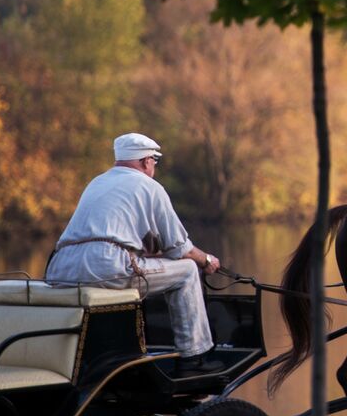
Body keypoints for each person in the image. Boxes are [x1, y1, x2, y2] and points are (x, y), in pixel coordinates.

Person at [46, 132, 224, 374]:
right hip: (106, 268)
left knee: (153, 266)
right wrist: (207, 260)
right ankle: (193, 358)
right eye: (154, 162)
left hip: (61, 268)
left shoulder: (97, 182)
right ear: (146, 161)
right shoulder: (150, 186)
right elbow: (179, 248)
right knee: (187, 271)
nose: (154, 167)